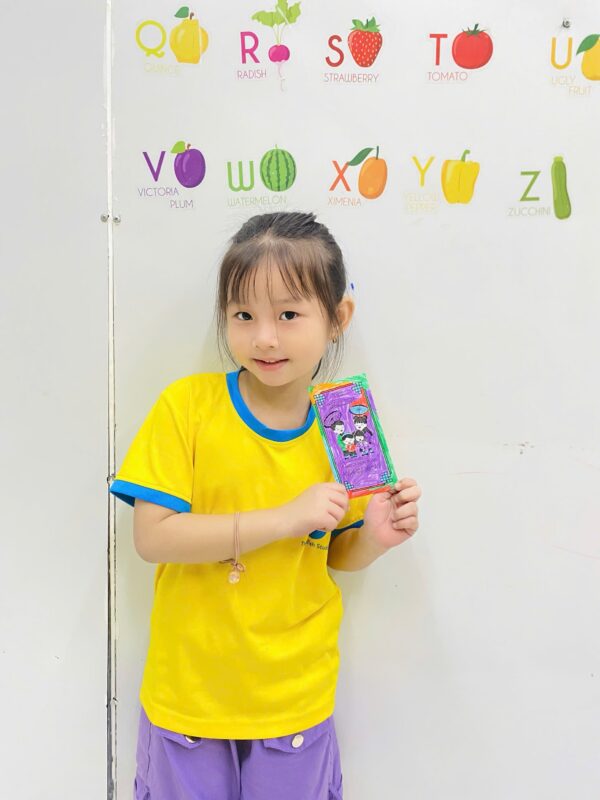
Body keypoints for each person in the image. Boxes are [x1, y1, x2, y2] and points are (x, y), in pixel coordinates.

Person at [109, 211, 422, 800]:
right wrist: (284, 518)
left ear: (338, 318)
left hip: (293, 695)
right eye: (243, 316)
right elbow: (153, 537)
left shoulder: (346, 421)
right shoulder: (188, 406)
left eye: (289, 315)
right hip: (191, 694)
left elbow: (335, 553)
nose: (265, 338)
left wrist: (375, 536)